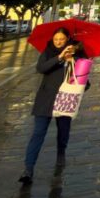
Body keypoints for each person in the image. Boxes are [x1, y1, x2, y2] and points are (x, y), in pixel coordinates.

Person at [18, 28, 84, 185]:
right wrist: (60, 57)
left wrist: (73, 63)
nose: (59, 42)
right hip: (46, 99)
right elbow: (41, 68)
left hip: (66, 99)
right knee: (38, 133)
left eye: (62, 39)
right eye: (56, 39)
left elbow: (84, 82)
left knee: (63, 131)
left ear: (67, 38)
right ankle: (28, 168)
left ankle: (61, 152)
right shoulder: (48, 51)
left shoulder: (78, 55)